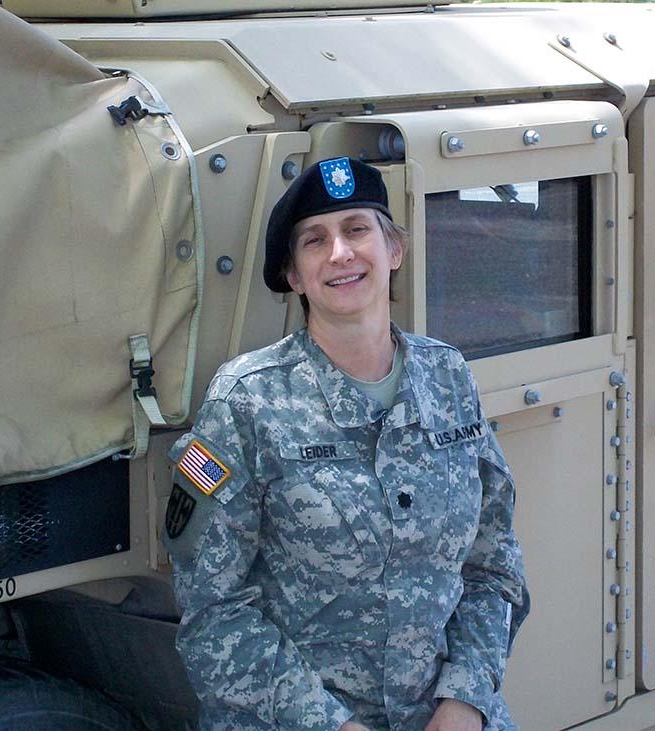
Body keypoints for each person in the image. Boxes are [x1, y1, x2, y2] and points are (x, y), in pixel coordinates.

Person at [163, 156, 529, 731]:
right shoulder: (245, 402)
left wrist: (466, 697)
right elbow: (212, 613)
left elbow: (493, 566)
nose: (340, 253)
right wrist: (329, 724)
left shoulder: (448, 377)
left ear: (395, 251)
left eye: (357, 229)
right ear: (293, 275)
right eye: (315, 240)